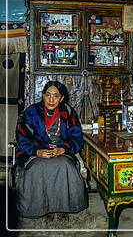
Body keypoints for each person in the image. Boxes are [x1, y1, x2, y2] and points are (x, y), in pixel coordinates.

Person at [16, 81, 88, 219]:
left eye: (56, 96)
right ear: (43, 95)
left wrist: (63, 149)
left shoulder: (68, 111)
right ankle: (40, 209)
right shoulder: (31, 112)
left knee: (64, 166)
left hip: (62, 151)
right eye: (48, 95)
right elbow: (22, 138)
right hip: (35, 152)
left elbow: (76, 137)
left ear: (61, 98)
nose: (51, 99)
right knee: (38, 167)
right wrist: (37, 151)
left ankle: (62, 208)